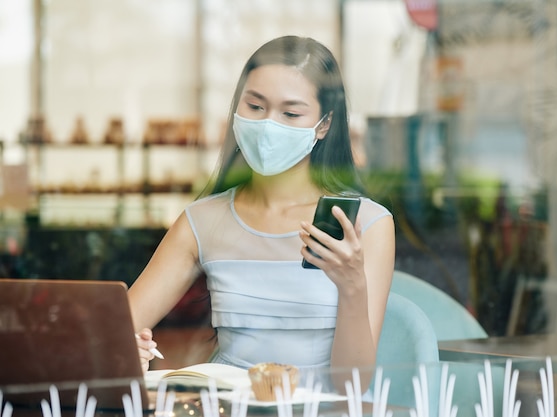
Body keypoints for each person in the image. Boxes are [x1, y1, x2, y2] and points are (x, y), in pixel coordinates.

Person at [128, 35, 395, 391]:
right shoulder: (201, 221)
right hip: (222, 407)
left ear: (324, 124)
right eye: (255, 107)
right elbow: (115, 333)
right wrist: (128, 350)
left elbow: (352, 386)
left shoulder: (367, 224)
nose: (269, 124)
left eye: (290, 113)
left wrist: (352, 286)